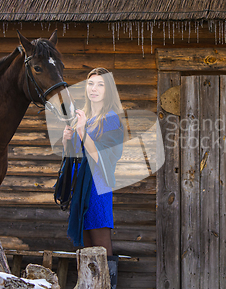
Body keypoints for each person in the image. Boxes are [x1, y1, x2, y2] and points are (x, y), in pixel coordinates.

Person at [61, 67, 124, 288]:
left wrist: (81, 132)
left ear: (109, 90)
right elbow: (75, 156)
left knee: (100, 248)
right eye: (90, 84)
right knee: (85, 251)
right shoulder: (86, 119)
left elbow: (101, 156)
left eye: (100, 84)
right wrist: (67, 139)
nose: (94, 89)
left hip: (98, 188)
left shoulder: (111, 118)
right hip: (81, 190)